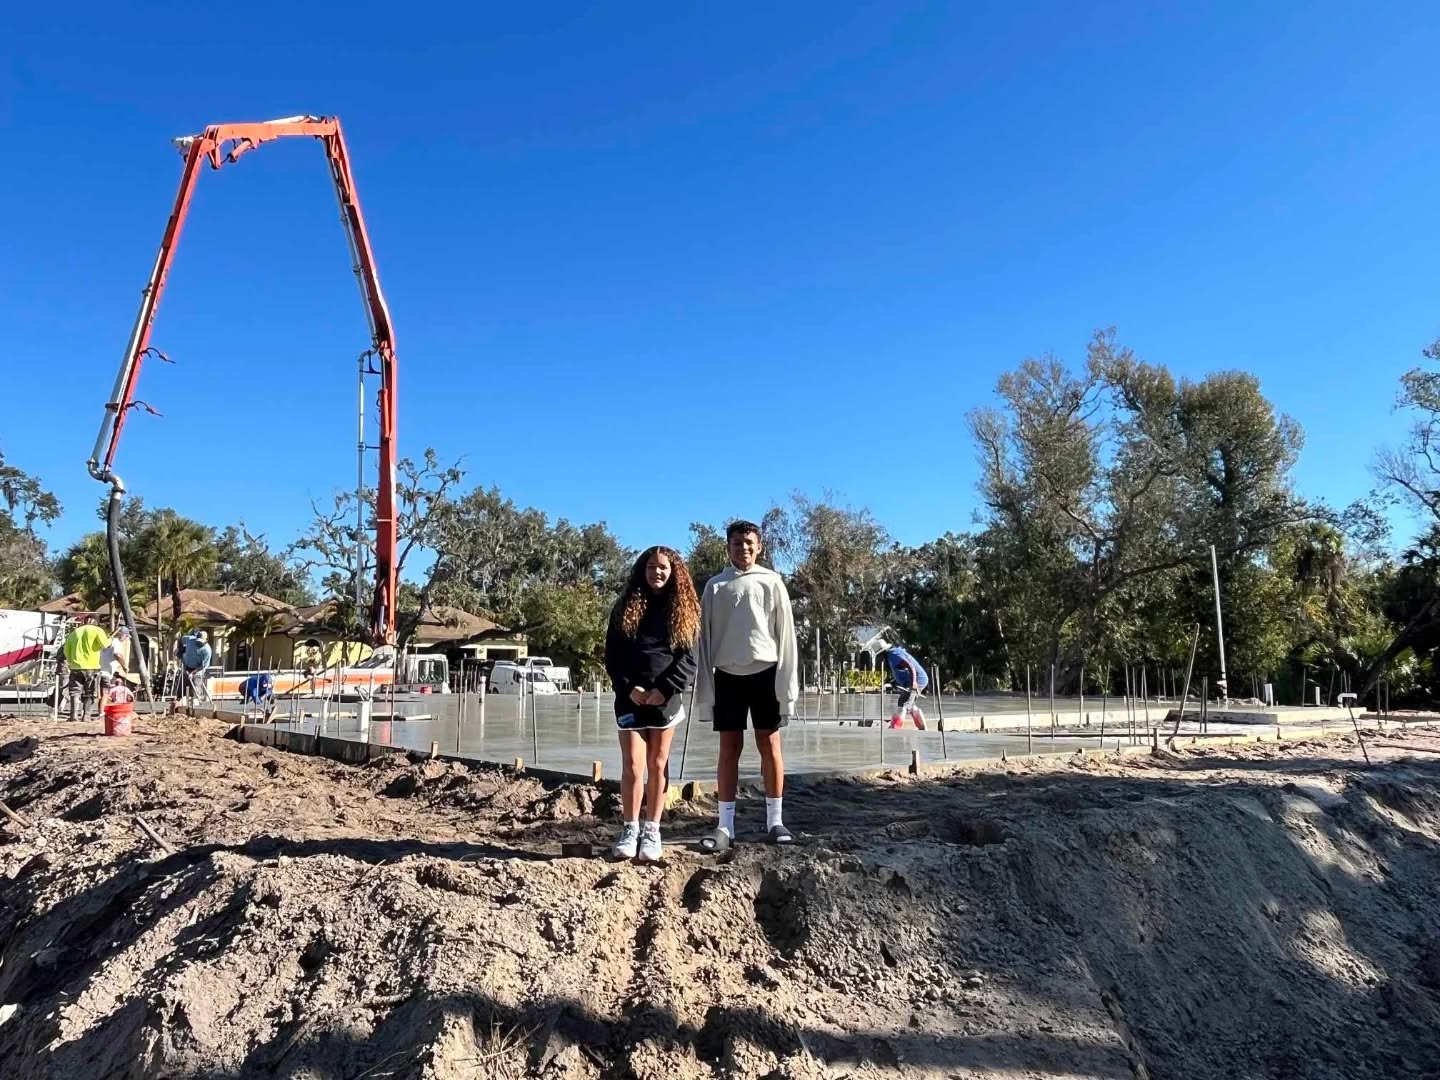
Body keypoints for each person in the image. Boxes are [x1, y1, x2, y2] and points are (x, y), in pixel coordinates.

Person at [693, 520, 800, 849]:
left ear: (760, 546)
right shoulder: (715, 586)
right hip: (728, 676)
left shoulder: (772, 582)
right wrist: (705, 688)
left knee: (770, 747)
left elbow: (786, 636)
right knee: (729, 749)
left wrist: (787, 685)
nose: (744, 548)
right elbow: (704, 639)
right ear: (728, 547)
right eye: (737, 543)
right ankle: (725, 826)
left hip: (765, 673)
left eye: (750, 543)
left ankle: (775, 821)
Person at [603, 546, 699, 863]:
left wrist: (665, 689)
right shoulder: (624, 608)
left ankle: (653, 830)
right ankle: (630, 829)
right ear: (641, 571)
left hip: (664, 701)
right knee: (632, 764)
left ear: (674, 573)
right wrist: (630, 687)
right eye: (650, 567)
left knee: (658, 765)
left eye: (663, 568)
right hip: (630, 699)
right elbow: (613, 656)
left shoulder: (684, 611)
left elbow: (689, 660)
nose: (656, 573)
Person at [62, 617, 109, 722]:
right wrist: (110, 639)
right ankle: (86, 716)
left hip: (75, 667)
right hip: (91, 666)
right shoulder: (97, 630)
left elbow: (66, 651)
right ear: (96, 623)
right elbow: (105, 644)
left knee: (75, 692)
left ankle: (73, 716)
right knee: (91, 692)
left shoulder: (74, 633)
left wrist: (70, 662)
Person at [880, 642, 929, 729]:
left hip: (917, 680)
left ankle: (895, 727)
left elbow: (911, 666)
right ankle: (922, 727)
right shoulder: (893, 654)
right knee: (909, 704)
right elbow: (901, 670)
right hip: (912, 680)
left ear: (882, 652)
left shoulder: (893, 655)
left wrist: (914, 683)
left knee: (903, 703)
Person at [181, 630, 213, 705]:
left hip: (198, 669)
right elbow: (181, 640)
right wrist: (180, 650)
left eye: (201, 642)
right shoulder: (190, 640)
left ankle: (195, 702)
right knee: (184, 687)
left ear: (206, 640)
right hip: (187, 665)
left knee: (196, 684)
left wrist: (192, 673)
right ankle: (183, 703)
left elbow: (203, 666)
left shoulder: (207, 651)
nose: (199, 643)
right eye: (198, 641)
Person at [99, 625, 133, 693]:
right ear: (122, 635)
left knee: (105, 693)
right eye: (126, 636)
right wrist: (125, 667)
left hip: (101, 671)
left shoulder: (109, 641)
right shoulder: (116, 642)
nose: (126, 638)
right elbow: (117, 655)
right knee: (105, 694)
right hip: (106, 672)